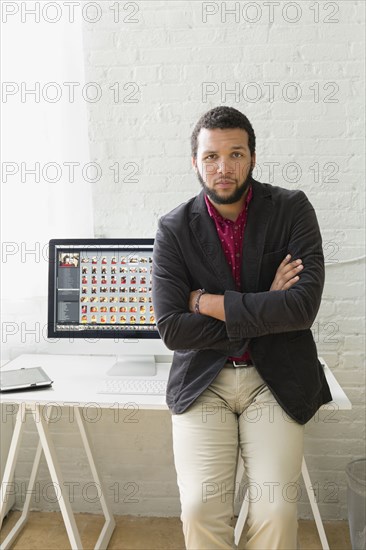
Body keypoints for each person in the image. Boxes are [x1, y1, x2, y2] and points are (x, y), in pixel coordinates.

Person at [152, 106, 332, 550]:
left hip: (273, 380)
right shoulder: (173, 229)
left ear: (252, 157)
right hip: (204, 382)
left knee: (275, 510)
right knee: (198, 508)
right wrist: (267, 305)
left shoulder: (292, 209)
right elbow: (173, 328)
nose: (223, 167)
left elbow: (301, 309)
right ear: (195, 162)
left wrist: (207, 303)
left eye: (235, 154)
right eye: (211, 156)